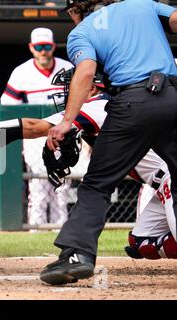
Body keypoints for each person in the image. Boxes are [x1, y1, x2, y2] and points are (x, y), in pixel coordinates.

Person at [40, 0, 177, 285]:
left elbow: (87, 71)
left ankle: (77, 255)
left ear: (76, 10)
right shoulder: (143, 5)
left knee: (97, 184)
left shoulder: (83, 31)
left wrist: (67, 120)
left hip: (133, 102)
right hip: (174, 96)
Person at [0, 68, 177, 262]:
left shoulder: (98, 106)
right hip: (160, 184)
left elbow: (35, 127)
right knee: (142, 242)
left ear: (91, 88)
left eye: (72, 86)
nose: (67, 93)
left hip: (170, 178)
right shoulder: (112, 106)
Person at [0, 27, 74, 227]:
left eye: (47, 46)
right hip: (35, 136)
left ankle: (60, 231)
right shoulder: (21, 72)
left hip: (63, 133)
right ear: (31, 48)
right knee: (39, 186)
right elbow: (7, 106)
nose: (43, 51)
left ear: (53, 47)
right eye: (39, 47)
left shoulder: (67, 68)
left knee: (62, 187)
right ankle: (37, 232)